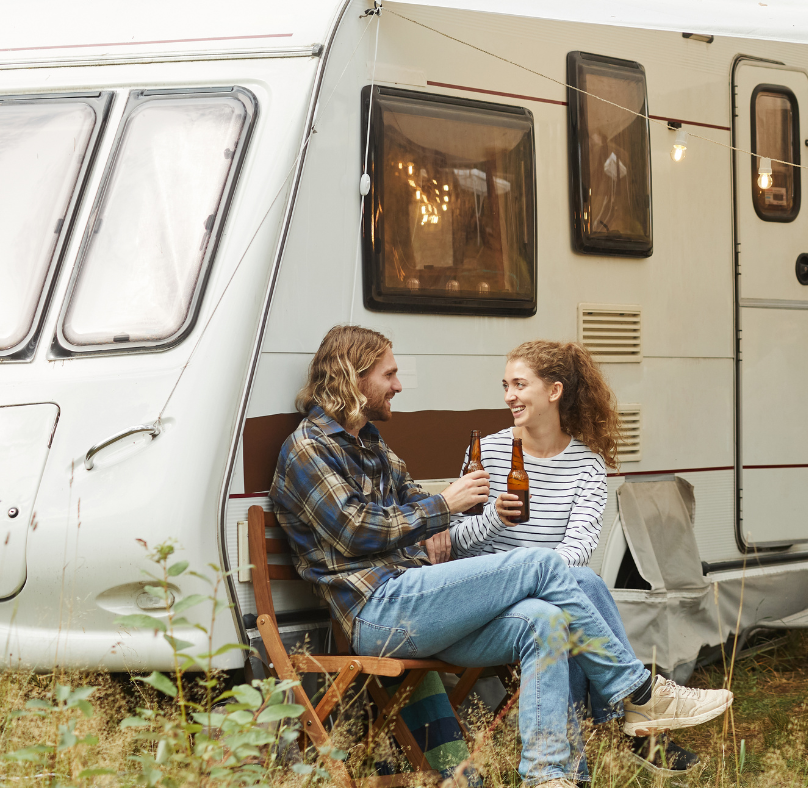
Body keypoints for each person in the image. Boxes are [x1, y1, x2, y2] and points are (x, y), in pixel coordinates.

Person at [270, 325, 732, 788]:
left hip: (428, 607)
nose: (399, 385)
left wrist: (435, 518)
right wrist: (442, 508)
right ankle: (639, 694)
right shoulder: (310, 447)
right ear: (354, 377)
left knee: (544, 622)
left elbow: (433, 524)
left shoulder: (373, 447)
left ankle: (552, 777)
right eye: (390, 375)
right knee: (543, 564)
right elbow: (357, 530)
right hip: (381, 612)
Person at [425, 340, 699, 778]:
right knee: (584, 587)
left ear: (553, 392)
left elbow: (580, 546)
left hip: (551, 599)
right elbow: (458, 544)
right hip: (492, 598)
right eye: (505, 385)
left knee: (572, 595)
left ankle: (570, 771)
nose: (508, 396)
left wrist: (545, 580)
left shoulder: (587, 464)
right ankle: (631, 721)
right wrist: (495, 520)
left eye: (519, 384)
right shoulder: (490, 452)